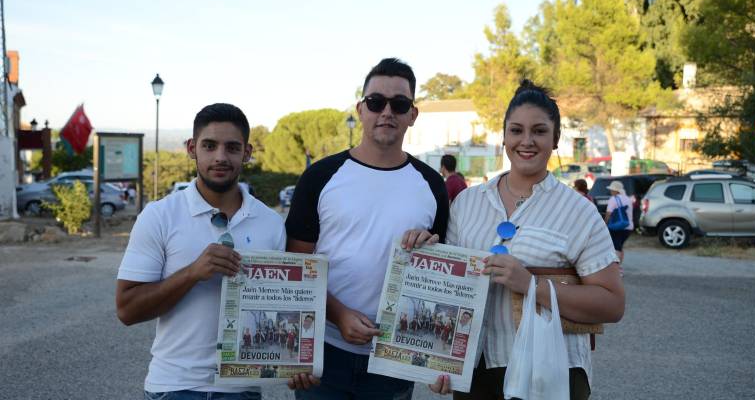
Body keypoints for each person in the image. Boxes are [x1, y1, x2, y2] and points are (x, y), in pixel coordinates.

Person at [416, 80, 624, 398]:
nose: (526, 141)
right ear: (504, 136)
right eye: (516, 130)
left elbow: (612, 304)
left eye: (539, 131)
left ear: (555, 140)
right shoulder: (467, 203)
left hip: (551, 373)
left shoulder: (578, 211)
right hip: (477, 372)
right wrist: (439, 360)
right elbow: (451, 294)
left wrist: (531, 286)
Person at [285, 57, 450, 398]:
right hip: (325, 351)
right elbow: (296, 266)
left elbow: (440, 279)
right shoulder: (320, 176)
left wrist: (430, 250)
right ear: (361, 109)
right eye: (376, 102)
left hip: (392, 358)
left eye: (399, 104)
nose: (386, 112)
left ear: (412, 115)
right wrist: (340, 315)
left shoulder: (432, 185)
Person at [115, 103, 287, 399]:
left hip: (242, 389)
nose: (220, 157)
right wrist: (192, 273)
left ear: (247, 153)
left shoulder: (272, 224)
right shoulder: (159, 216)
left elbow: (283, 311)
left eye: (232, 148)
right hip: (174, 387)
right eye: (210, 146)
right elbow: (127, 310)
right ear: (192, 148)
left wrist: (296, 363)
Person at [604, 180, 633, 267]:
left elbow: (608, 213)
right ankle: (619, 267)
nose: (610, 191)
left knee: (616, 247)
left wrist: (605, 224)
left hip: (616, 227)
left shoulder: (613, 199)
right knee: (619, 246)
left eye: (612, 190)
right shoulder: (628, 198)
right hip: (628, 227)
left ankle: (616, 268)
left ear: (615, 191)